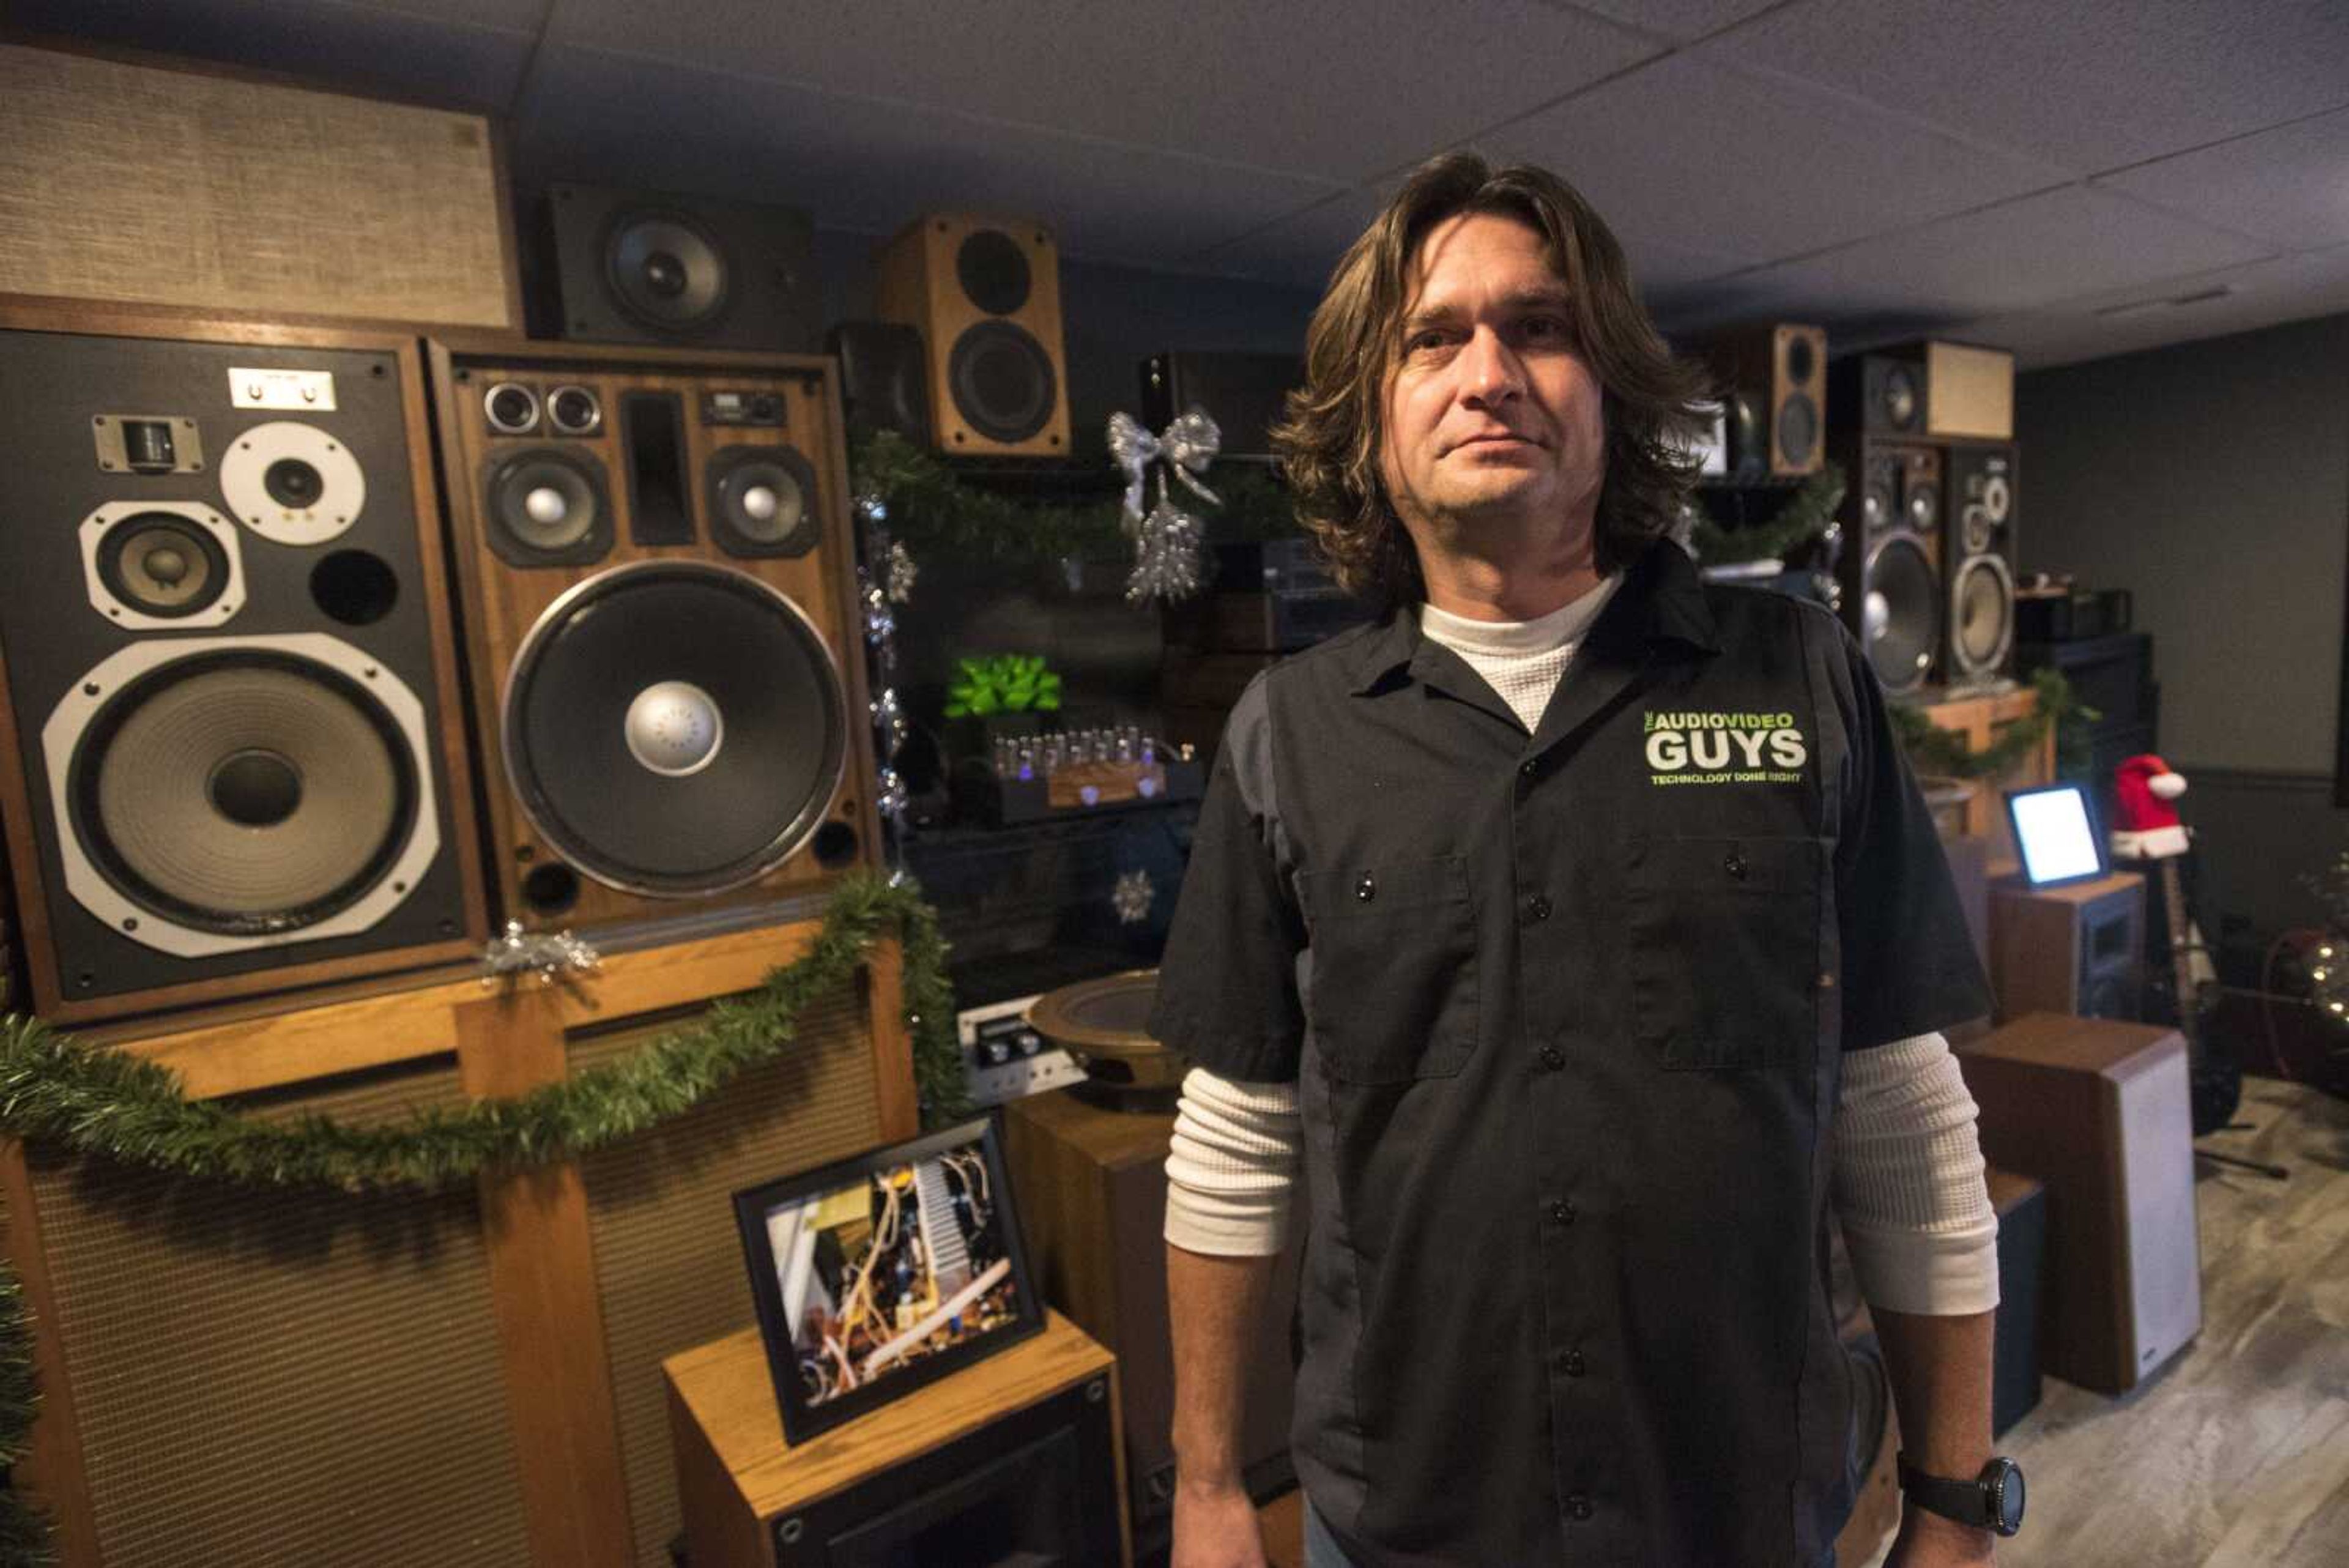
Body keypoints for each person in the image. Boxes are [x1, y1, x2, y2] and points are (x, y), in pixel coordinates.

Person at [1149, 153, 2019, 1568]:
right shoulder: (1288, 736)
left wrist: (1955, 1501)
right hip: (1403, 1525)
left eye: (1539, 328)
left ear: (1612, 393)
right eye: (1432, 338)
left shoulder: (1796, 678)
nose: (1487, 371)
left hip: (1737, 1511)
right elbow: (1236, 1139)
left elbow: (1899, 1112)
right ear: (1373, 419)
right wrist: (1203, 1490)